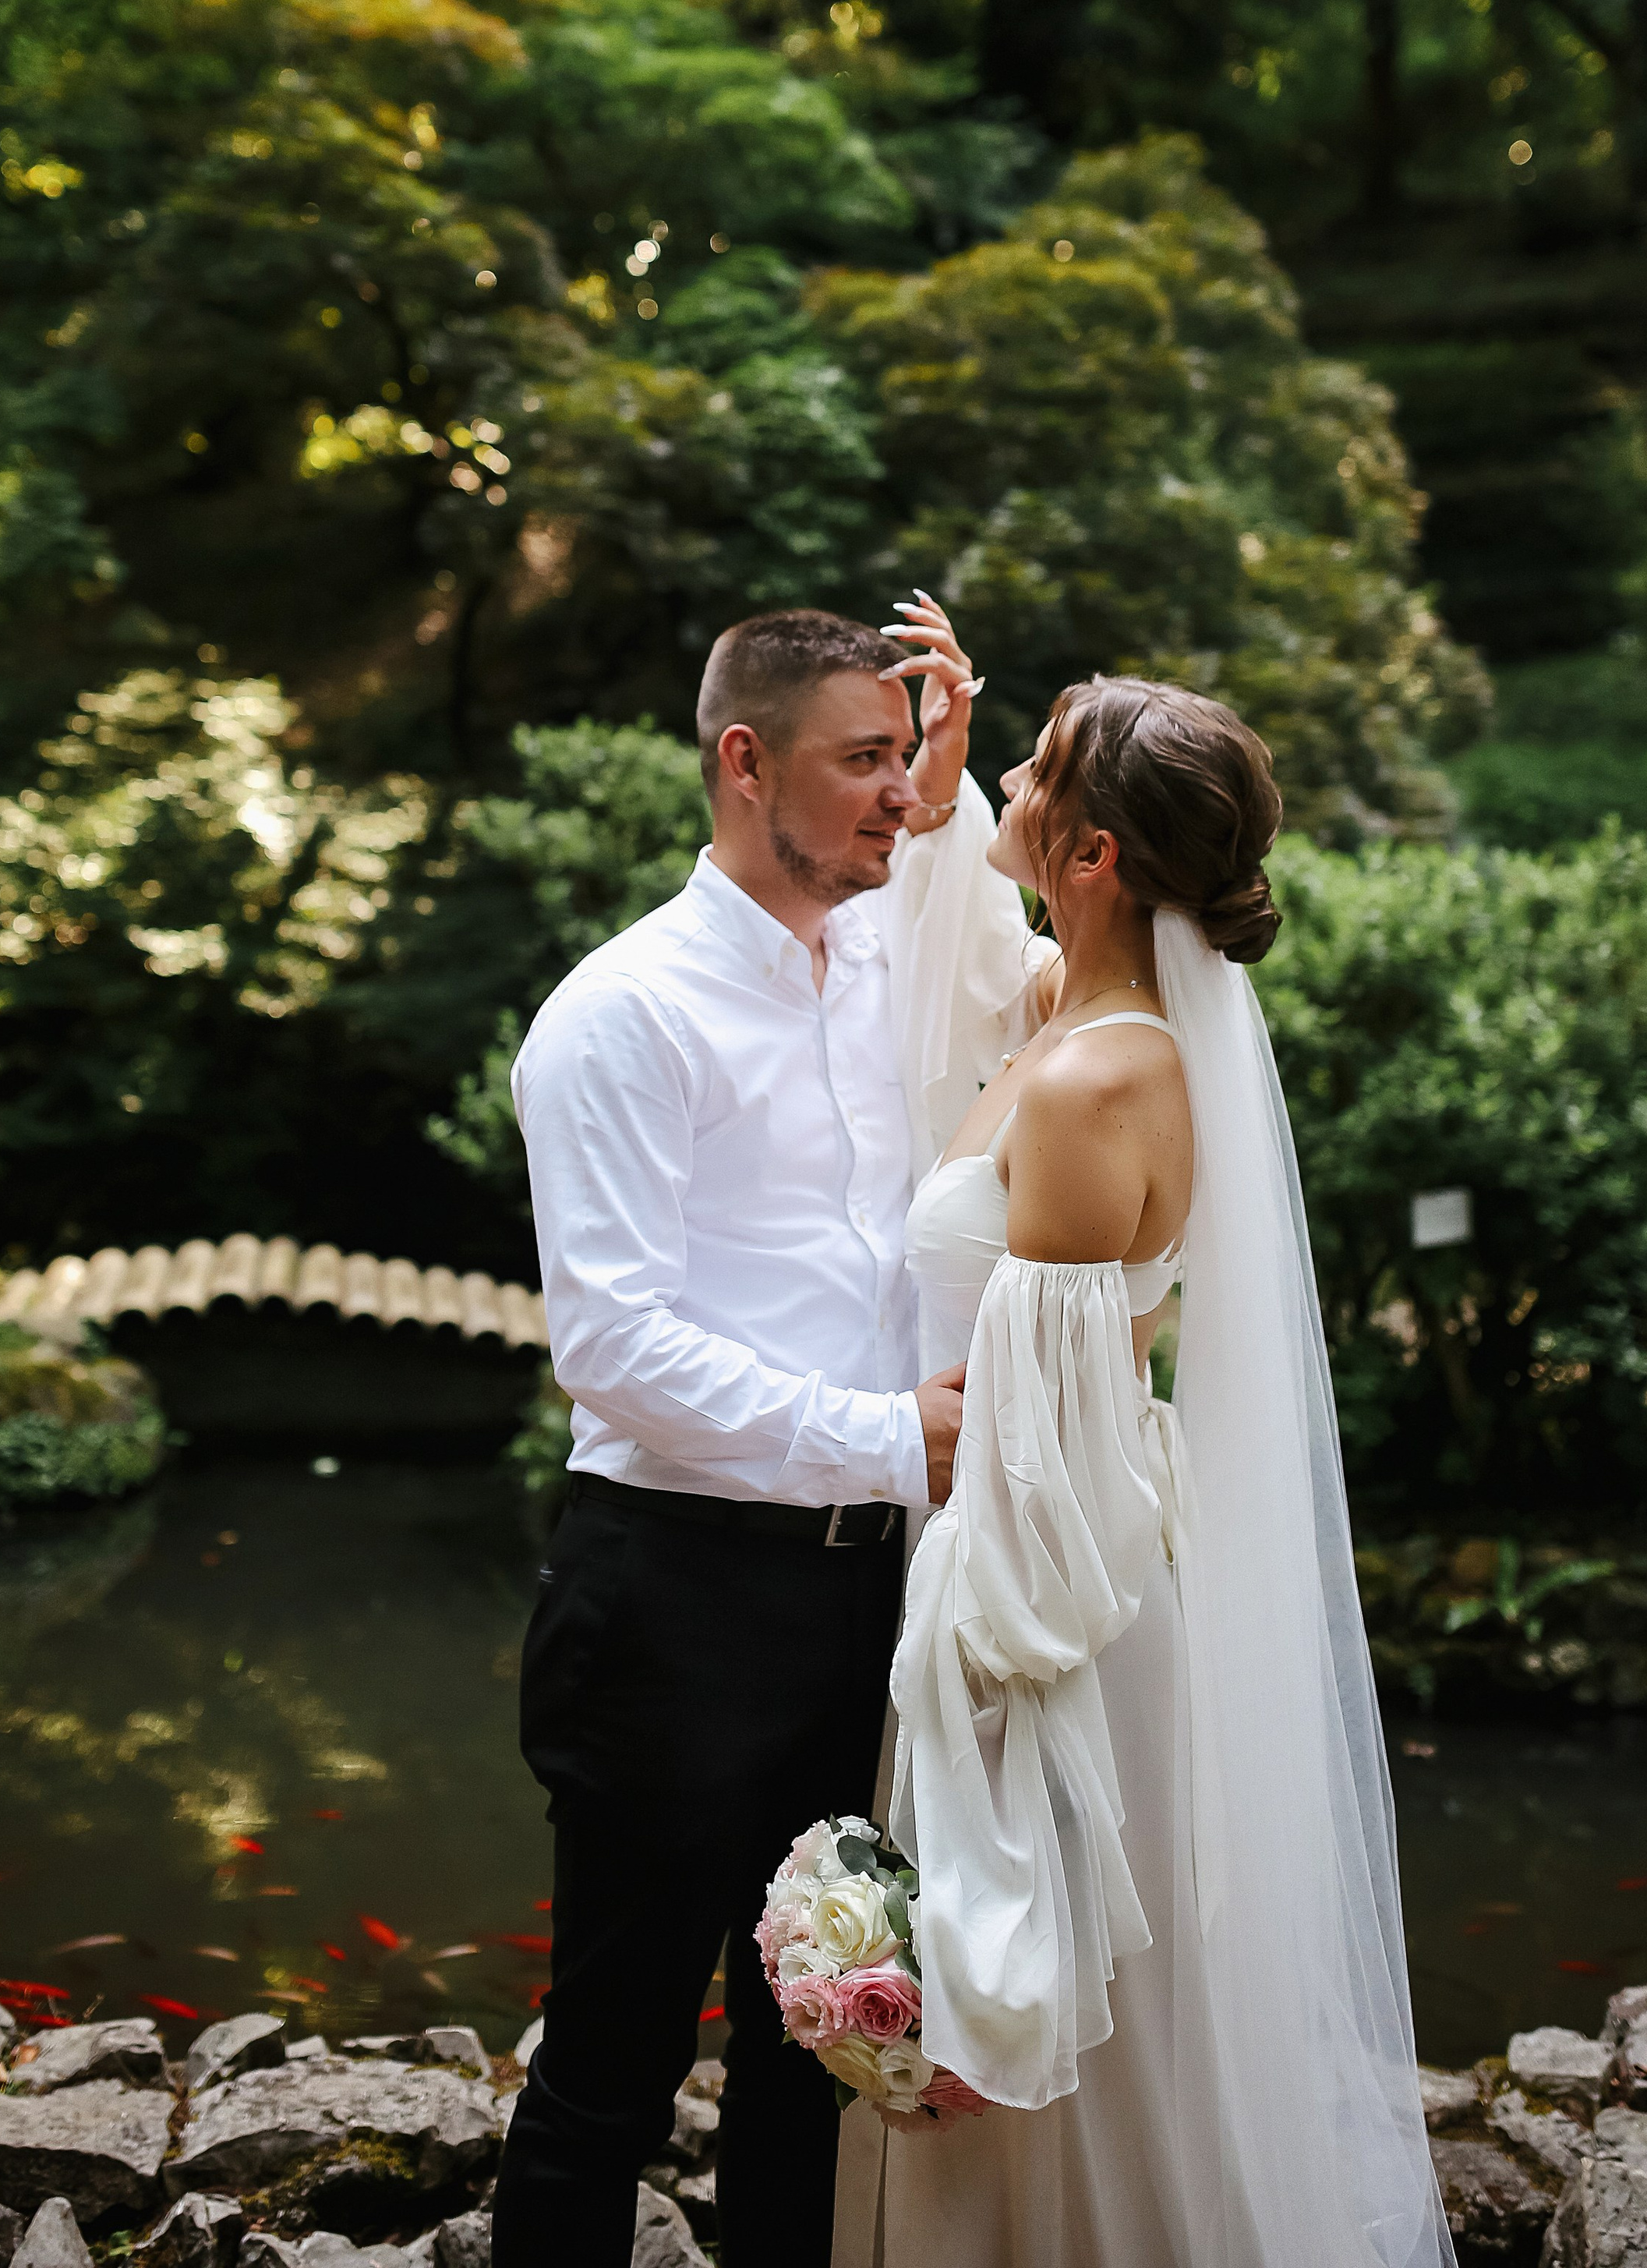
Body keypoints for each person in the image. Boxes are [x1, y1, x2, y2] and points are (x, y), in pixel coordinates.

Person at [836, 677, 1453, 2268]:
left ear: (1095, 853)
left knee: (1049, 2026)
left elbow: (1035, 1435)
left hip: (1039, 1620)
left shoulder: (1093, 1079)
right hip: (1077, 1574)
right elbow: (980, 969)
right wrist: (956, 781)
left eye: (1033, 773)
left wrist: (964, 1691)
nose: (1011, 791)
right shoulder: (1078, 1019)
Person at [490, 601, 1041, 2268]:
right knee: (612, 2067)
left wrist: (954, 801)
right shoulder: (618, 1015)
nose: (896, 795)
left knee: (825, 2042)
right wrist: (889, 1432)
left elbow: (1042, 963)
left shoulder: (884, 955)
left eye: (901, 759)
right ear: (745, 764)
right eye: (860, 762)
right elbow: (612, 1346)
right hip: (672, 1601)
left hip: (865, 1608)